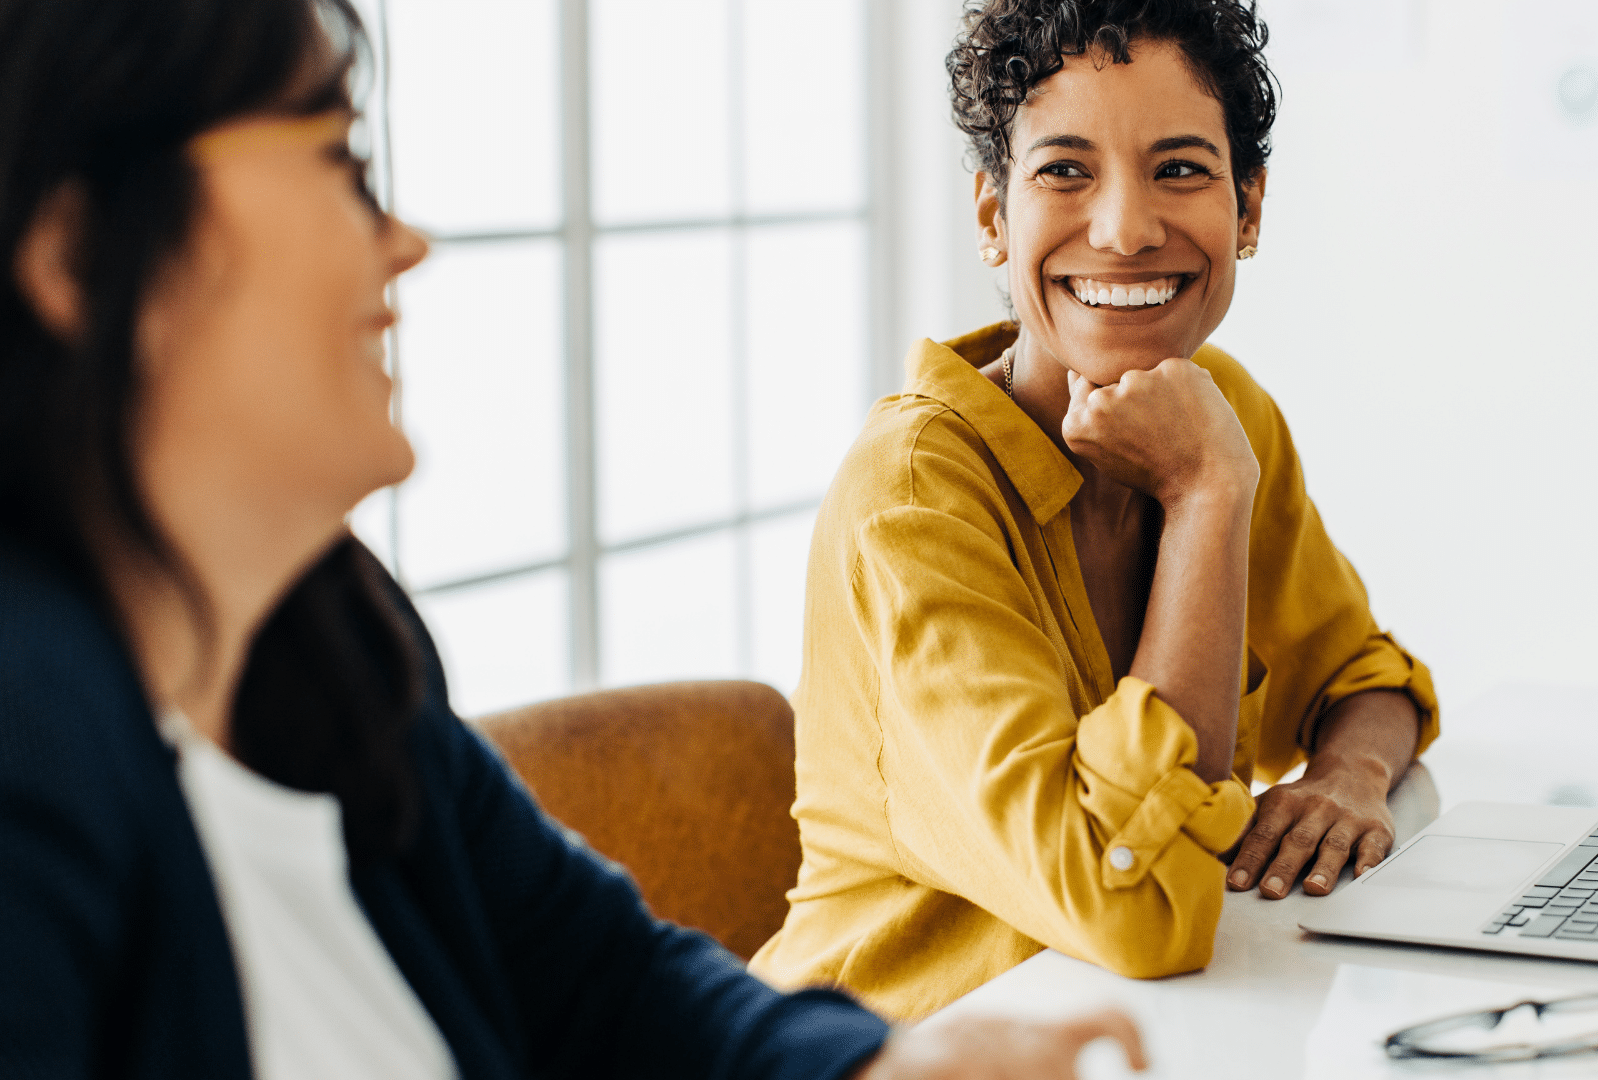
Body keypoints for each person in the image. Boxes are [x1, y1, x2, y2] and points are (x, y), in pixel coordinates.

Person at [0, 0, 1147, 1076]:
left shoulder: (331, 637)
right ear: (84, 255)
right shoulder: (32, 745)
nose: (404, 242)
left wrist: (877, 1064)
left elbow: (604, 979)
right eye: (338, 163)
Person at [749, 0, 1439, 1021]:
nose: (1122, 229)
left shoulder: (1222, 410)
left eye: (1179, 169)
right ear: (992, 215)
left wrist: (1346, 775)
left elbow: (1362, 677)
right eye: (1064, 170)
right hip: (909, 1045)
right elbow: (1135, 906)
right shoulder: (912, 499)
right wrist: (1204, 499)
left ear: (1247, 209)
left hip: (1155, 1033)